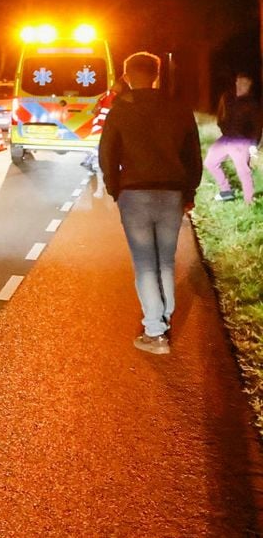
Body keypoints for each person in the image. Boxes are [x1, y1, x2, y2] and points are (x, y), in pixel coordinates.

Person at [99, 52, 202, 355]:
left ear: (127, 75)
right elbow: (192, 154)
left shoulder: (121, 110)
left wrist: (114, 188)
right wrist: (189, 192)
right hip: (171, 193)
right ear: (157, 75)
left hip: (134, 193)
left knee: (145, 264)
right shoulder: (179, 108)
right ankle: (164, 319)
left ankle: (155, 332)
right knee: (166, 262)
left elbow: (107, 154)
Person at [204, 72, 262, 204]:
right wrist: (223, 127)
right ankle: (226, 192)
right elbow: (220, 115)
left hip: (242, 141)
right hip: (226, 138)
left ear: (250, 86)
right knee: (210, 162)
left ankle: (249, 201)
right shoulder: (227, 97)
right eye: (240, 82)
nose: (242, 86)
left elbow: (258, 126)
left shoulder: (252, 103)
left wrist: (254, 144)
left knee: (243, 171)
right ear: (236, 82)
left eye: (246, 84)